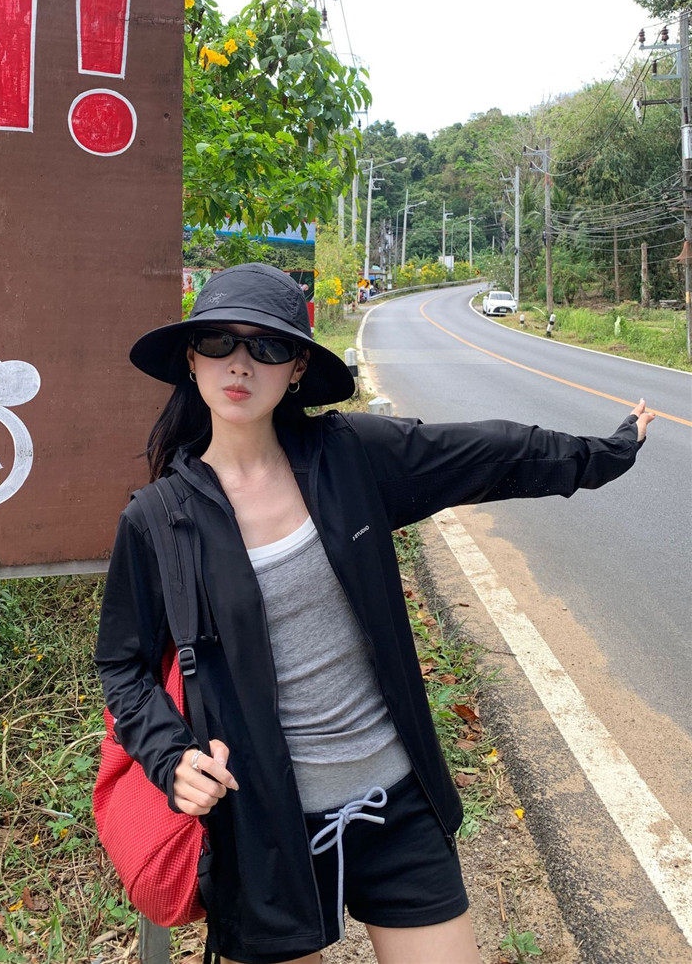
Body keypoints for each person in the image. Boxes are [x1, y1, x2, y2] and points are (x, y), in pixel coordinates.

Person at [96, 263, 654, 964]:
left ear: (298, 368)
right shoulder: (159, 520)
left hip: (396, 805)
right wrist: (169, 756)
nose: (240, 364)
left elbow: (490, 451)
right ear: (191, 358)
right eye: (218, 342)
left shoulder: (349, 458)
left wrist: (602, 455)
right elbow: (122, 665)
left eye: (267, 346)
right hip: (263, 832)